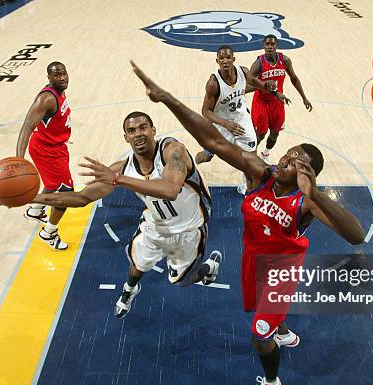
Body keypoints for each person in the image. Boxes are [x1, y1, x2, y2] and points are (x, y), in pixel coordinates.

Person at [128, 62, 364, 385]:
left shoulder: (308, 201)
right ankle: (281, 329)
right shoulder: (259, 173)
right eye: (289, 153)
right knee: (265, 318)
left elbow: (356, 236)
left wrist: (315, 192)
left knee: (258, 332)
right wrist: (167, 99)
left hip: (282, 271)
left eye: (298, 161)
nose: (288, 158)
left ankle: (271, 383)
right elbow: (212, 140)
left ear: (308, 174)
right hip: (252, 258)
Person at [33, 111, 223, 318]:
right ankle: (130, 289)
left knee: (182, 280)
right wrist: (33, 198)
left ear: (153, 131)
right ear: (126, 137)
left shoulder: (173, 150)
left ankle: (209, 267)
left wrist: (117, 178)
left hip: (189, 229)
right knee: (137, 265)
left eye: (143, 128)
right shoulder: (124, 168)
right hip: (155, 225)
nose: (138, 134)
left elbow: (170, 189)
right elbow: (81, 199)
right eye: (131, 131)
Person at [194, 45, 289, 194]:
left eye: (228, 57)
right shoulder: (213, 83)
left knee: (251, 154)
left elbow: (259, 85)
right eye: (221, 58)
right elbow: (205, 112)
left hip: (241, 118)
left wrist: (275, 92)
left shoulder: (243, 72)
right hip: (221, 122)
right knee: (207, 155)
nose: (225, 61)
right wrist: (226, 123)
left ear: (233, 59)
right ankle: (192, 166)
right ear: (217, 60)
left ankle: (245, 184)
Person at [16, 61, 72, 251]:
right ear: (49, 78)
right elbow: (26, 128)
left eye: (63, 73)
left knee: (53, 185)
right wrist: (19, 161)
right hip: (46, 150)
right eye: (57, 75)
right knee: (66, 193)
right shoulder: (47, 99)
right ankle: (49, 233)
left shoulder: (60, 91)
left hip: (55, 146)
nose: (62, 77)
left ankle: (35, 210)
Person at [250, 35, 313, 162]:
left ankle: (265, 155)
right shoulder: (258, 63)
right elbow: (250, 80)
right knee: (260, 134)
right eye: (267, 44)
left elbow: (294, 78)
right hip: (261, 102)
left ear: (276, 46)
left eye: (272, 44)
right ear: (263, 46)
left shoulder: (285, 60)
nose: (269, 47)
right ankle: (250, 160)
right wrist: (266, 85)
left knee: (275, 133)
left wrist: (304, 98)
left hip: (277, 103)